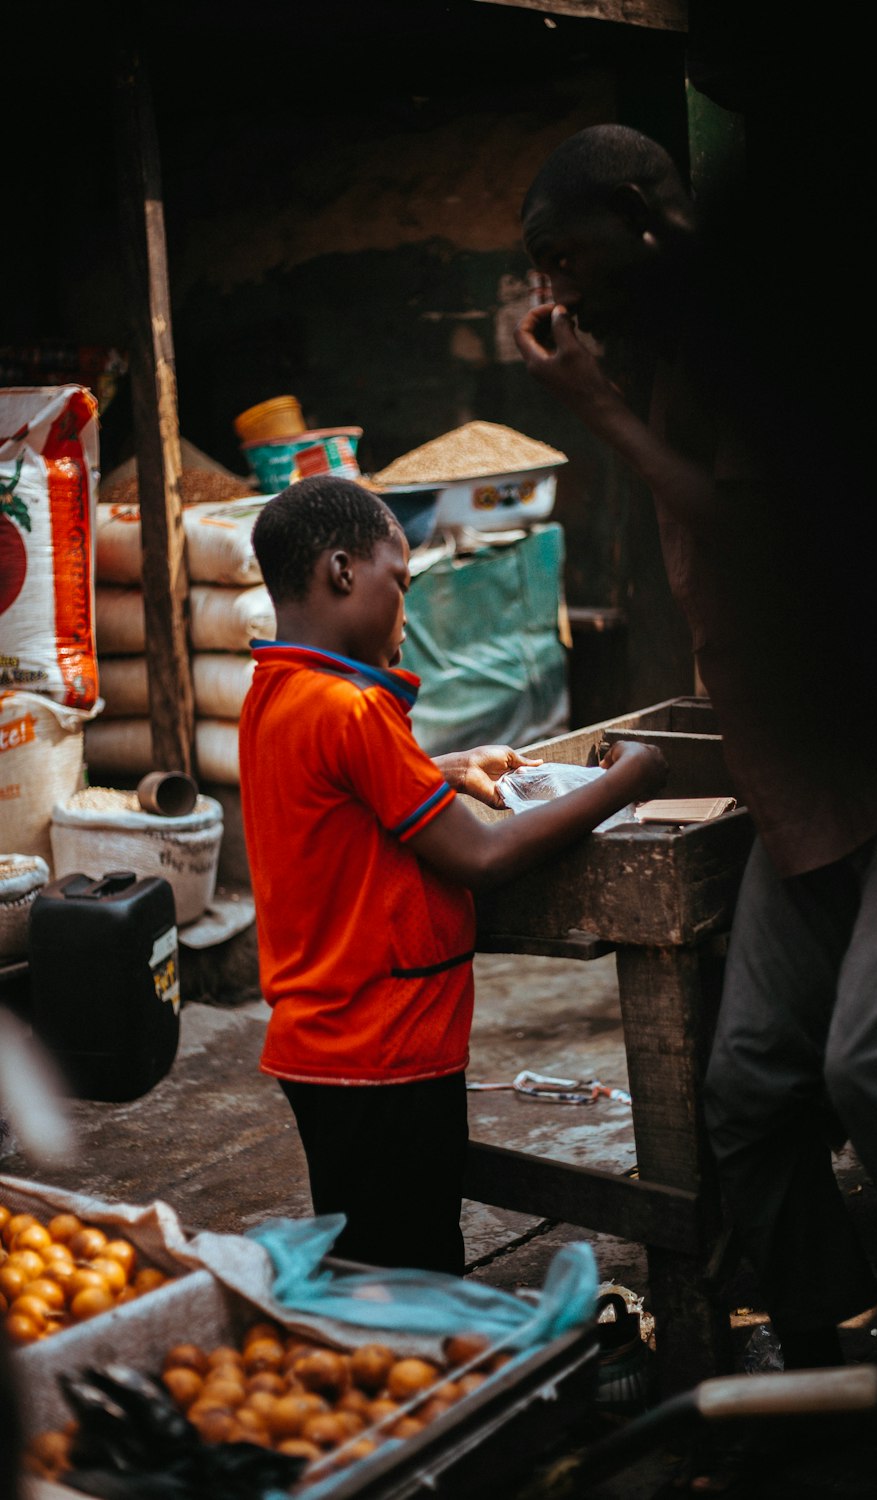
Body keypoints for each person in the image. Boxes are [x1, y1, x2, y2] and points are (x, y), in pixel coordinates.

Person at [513, 120, 877, 1471]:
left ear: (641, 212)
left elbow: (773, 539)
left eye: (570, 256)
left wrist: (596, 414)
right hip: (812, 789)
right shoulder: (672, 348)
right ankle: (827, 1355)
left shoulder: (771, 330)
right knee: (747, 1092)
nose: (558, 293)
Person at [239, 474, 666, 1277]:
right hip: (386, 1045)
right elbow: (481, 855)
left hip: (318, 1047)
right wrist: (626, 779)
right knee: (413, 1268)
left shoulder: (275, 695)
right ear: (341, 573)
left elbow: (338, 801)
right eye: (398, 582)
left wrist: (445, 766)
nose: (404, 607)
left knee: (363, 1257)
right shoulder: (355, 708)